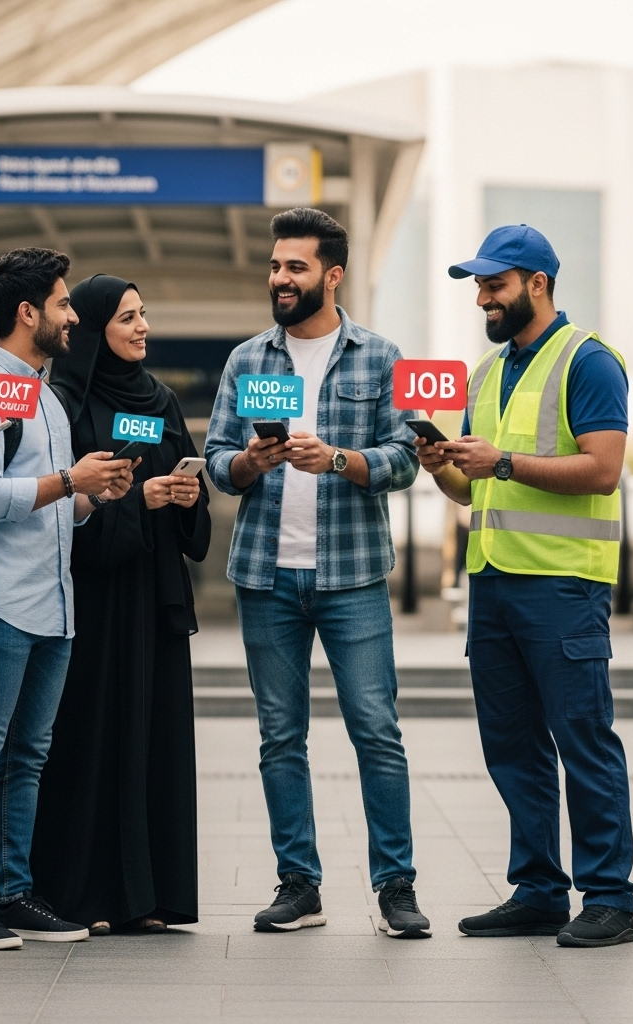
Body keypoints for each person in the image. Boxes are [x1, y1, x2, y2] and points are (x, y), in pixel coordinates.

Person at [204, 208, 431, 939]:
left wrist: (337, 458)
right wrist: (250, 462)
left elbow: (403, 459)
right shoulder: (247, 361)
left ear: (331, 275)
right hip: (266, 577)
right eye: (275, 266)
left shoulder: (379, 355)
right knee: (279, 735)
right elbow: (215, 461)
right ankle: (299, 883)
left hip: (353, 575)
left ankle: (395, 887)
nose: (280, 278)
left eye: (295, 267)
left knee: (376, 729)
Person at [416, 224, 633, 947]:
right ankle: (539, 889)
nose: (481, 296)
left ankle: (609, 898)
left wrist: (502, 462)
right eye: (478, 285)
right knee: (512, 745)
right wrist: (440, 465)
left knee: (583, 739)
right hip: (494, 583)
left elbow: (603, 468)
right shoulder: (486, 374)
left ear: (536, 284)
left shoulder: (589, 361)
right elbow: (472, 490)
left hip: (564, 585)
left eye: (493, 283)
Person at [0, 249, 135, 950]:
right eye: (62, 303)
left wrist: (89, 495)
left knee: (28, 757)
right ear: (28, 314)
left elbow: (52, 505)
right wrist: (62, 483)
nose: (73, 316)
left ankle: (12, 893)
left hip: (53, 607)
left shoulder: (45, 397)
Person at [30, 275, 211, 934]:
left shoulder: (159, 398)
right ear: (97, 327)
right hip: (92, 598)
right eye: (128, 318)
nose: (142, 328)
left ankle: (148, 897)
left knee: (152, 740)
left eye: (144, 315)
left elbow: (187, 477)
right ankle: (90, 897)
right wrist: (138, 501)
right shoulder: (65, 402)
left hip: (154, 594)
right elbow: (60, 503)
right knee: (89, 739)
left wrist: (186, 498)